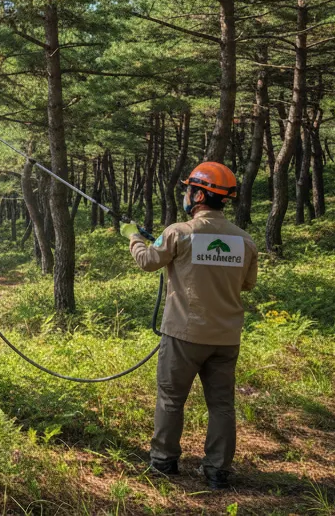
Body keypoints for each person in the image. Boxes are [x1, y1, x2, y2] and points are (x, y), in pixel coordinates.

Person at [120, 161, 258, 491]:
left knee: (171, 399)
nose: (185, 195)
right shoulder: (245, 241)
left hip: (184, 335)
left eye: (188, 190)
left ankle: (163, 462)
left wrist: (133, 237)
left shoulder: (179, 232)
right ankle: (217, 471)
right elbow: (247, 284)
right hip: (226, 338)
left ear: (198, 195)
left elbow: (147, 261)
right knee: (222, 405)